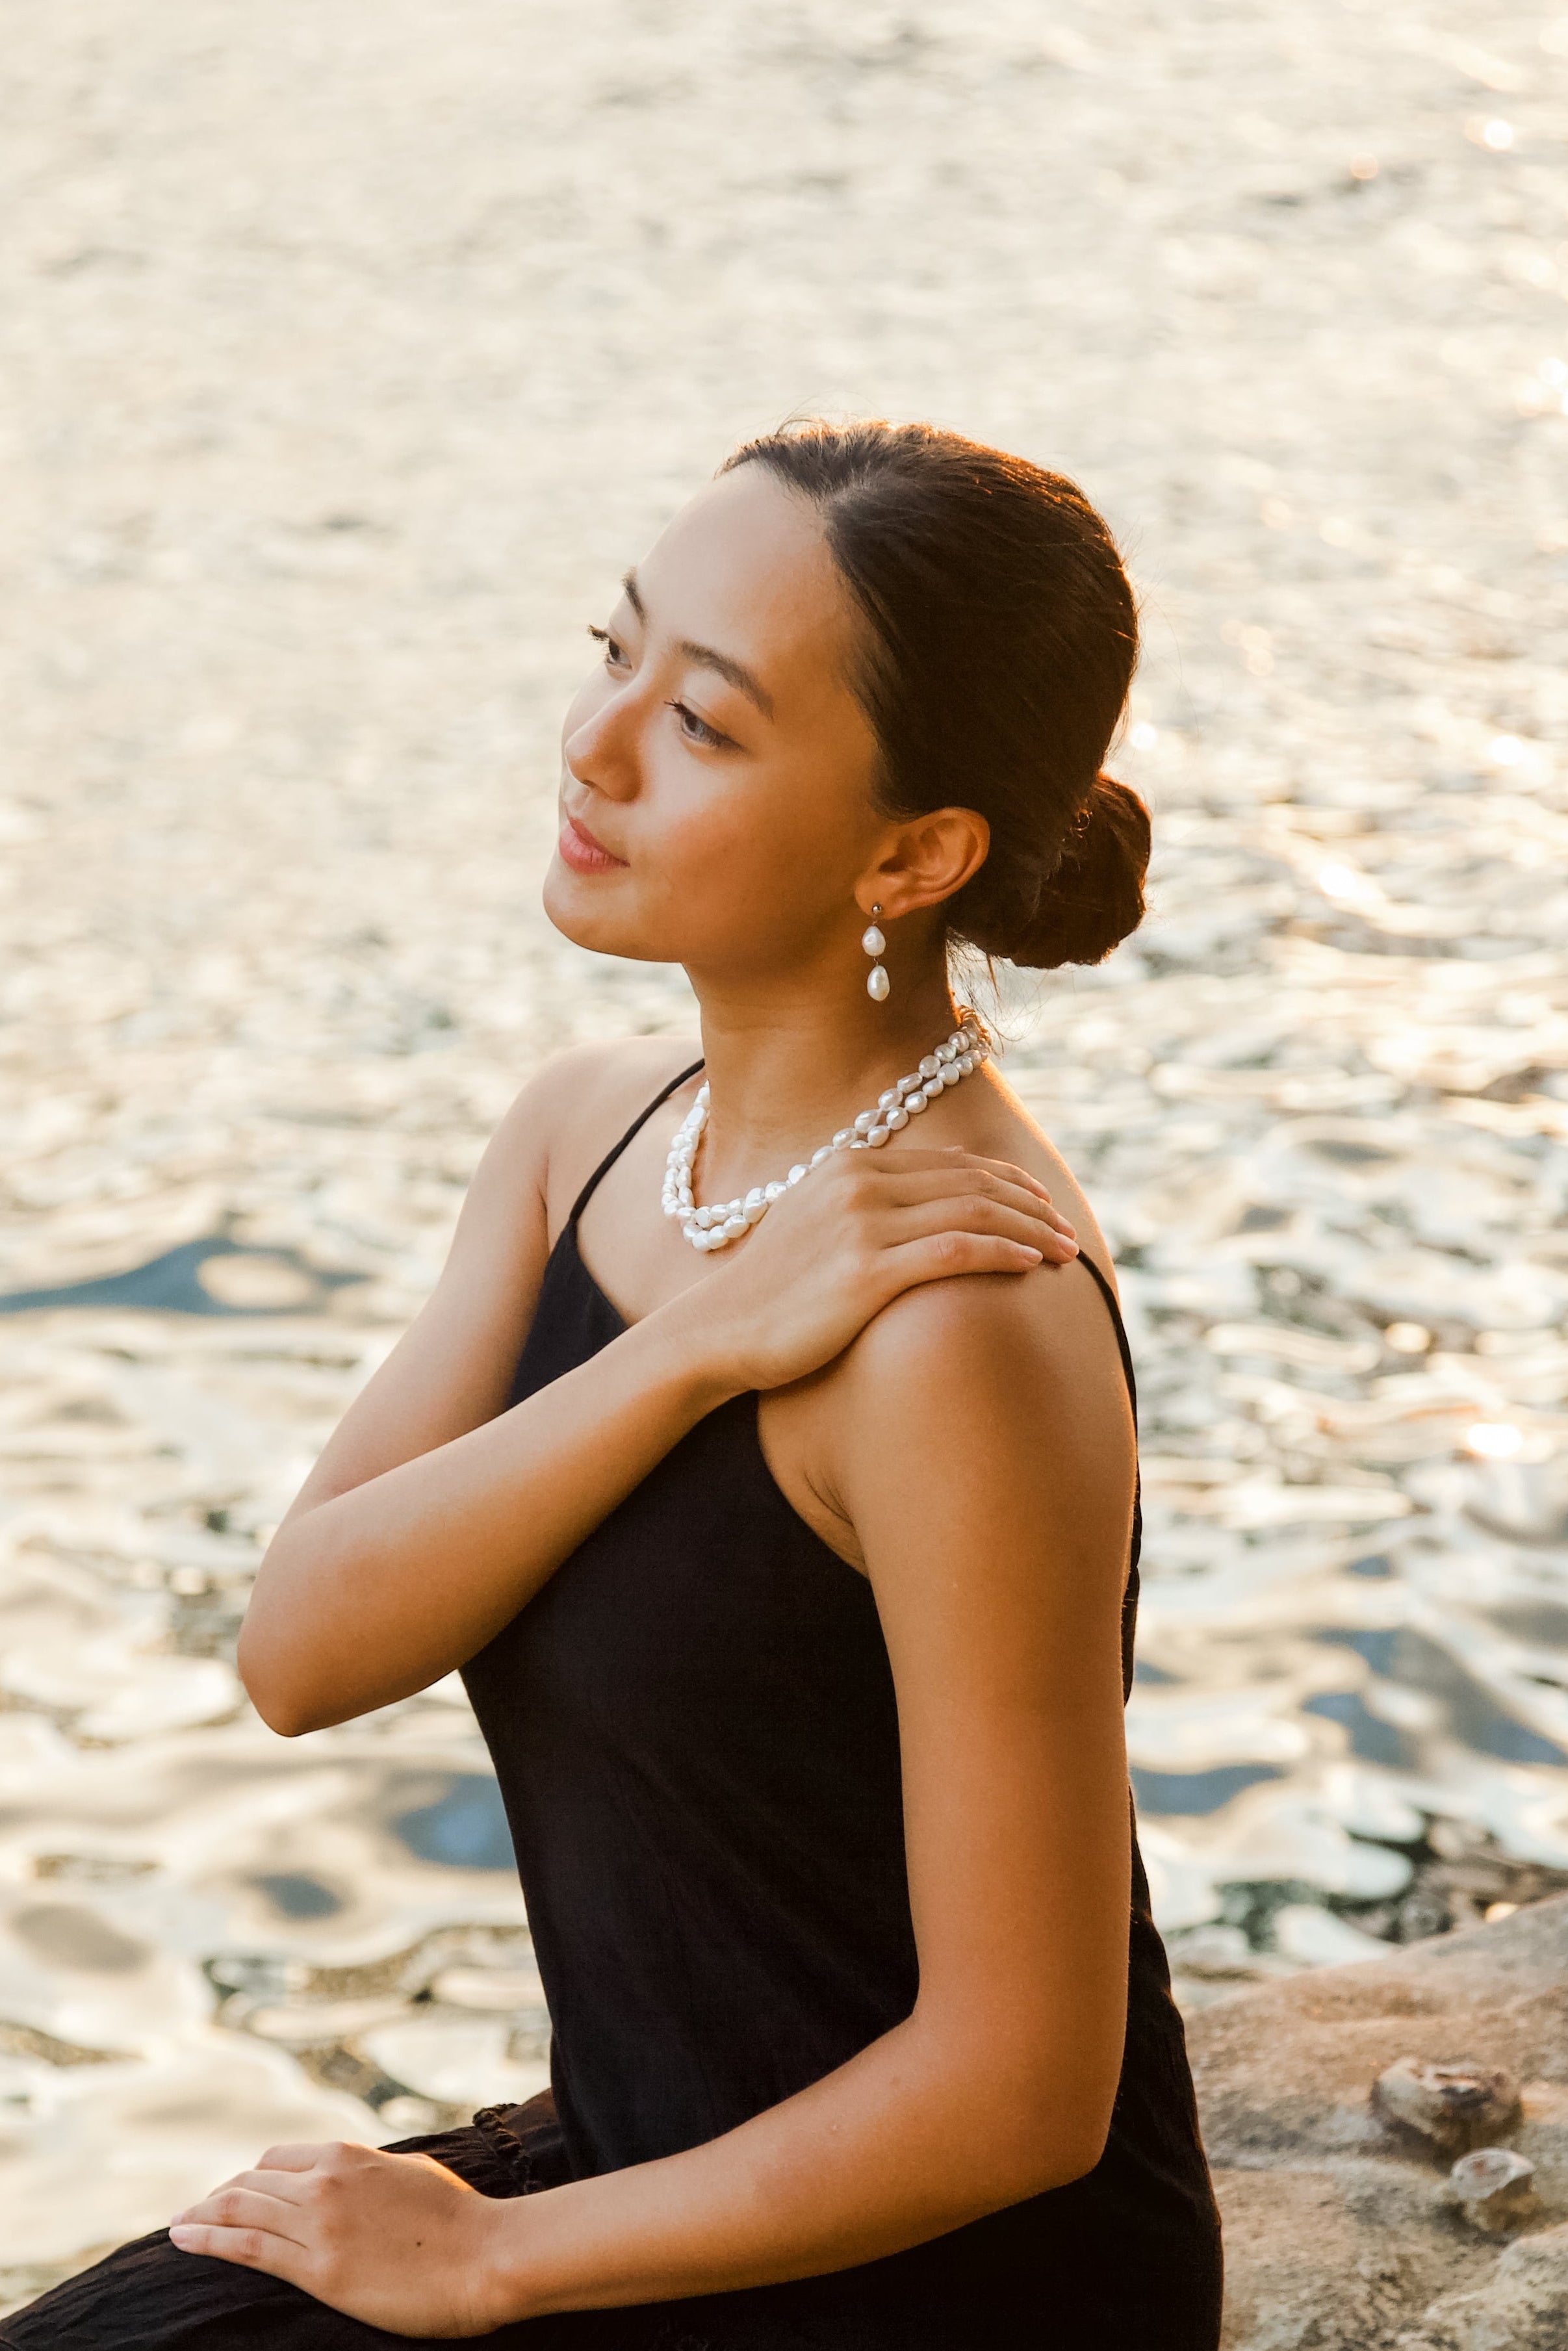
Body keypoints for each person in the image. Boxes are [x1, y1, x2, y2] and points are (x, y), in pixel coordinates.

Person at [5, 420, 1223, 2348]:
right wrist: (694, 1347)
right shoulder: (587, 1136)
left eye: (710, 726)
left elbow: (1023, 2087)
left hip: (928, 2270)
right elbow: (302, 1649)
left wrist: (479, 2257)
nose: (595, 743)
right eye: (613, 646)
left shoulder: (964, 1325)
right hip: (656, 2162)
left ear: (914, 854)